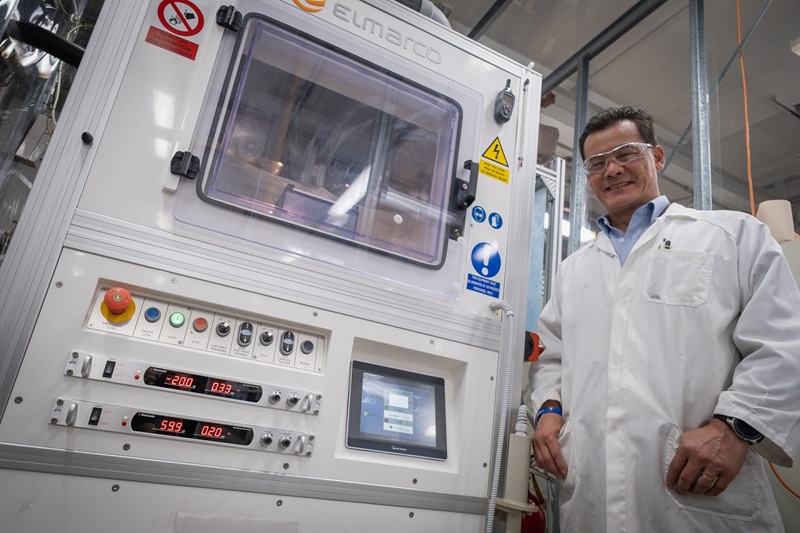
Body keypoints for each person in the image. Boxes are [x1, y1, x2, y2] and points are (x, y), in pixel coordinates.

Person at [529, 105, 800, 532]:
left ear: (656, 157)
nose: (612, 170)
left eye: (625, 154)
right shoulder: (574, 268)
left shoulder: (733, 236)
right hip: (592, 493)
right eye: (597, 163)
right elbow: (551, 357)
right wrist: (548, 409)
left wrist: (735, 429)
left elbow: (784, 342)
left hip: (696, 494)